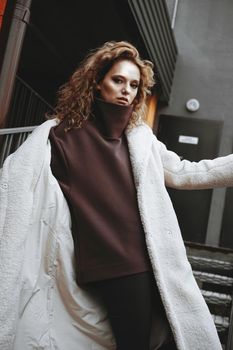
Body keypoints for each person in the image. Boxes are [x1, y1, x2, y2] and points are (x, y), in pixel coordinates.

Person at [1, 40, 232, 350]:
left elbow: (184, 172)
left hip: (145, 258)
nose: (127, 90)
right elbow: (14, 190)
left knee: (164, 337)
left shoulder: (139, 138)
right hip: (106, 263)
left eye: (134, 85)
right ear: (97, 83)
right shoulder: (57, 135)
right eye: (118, 80)